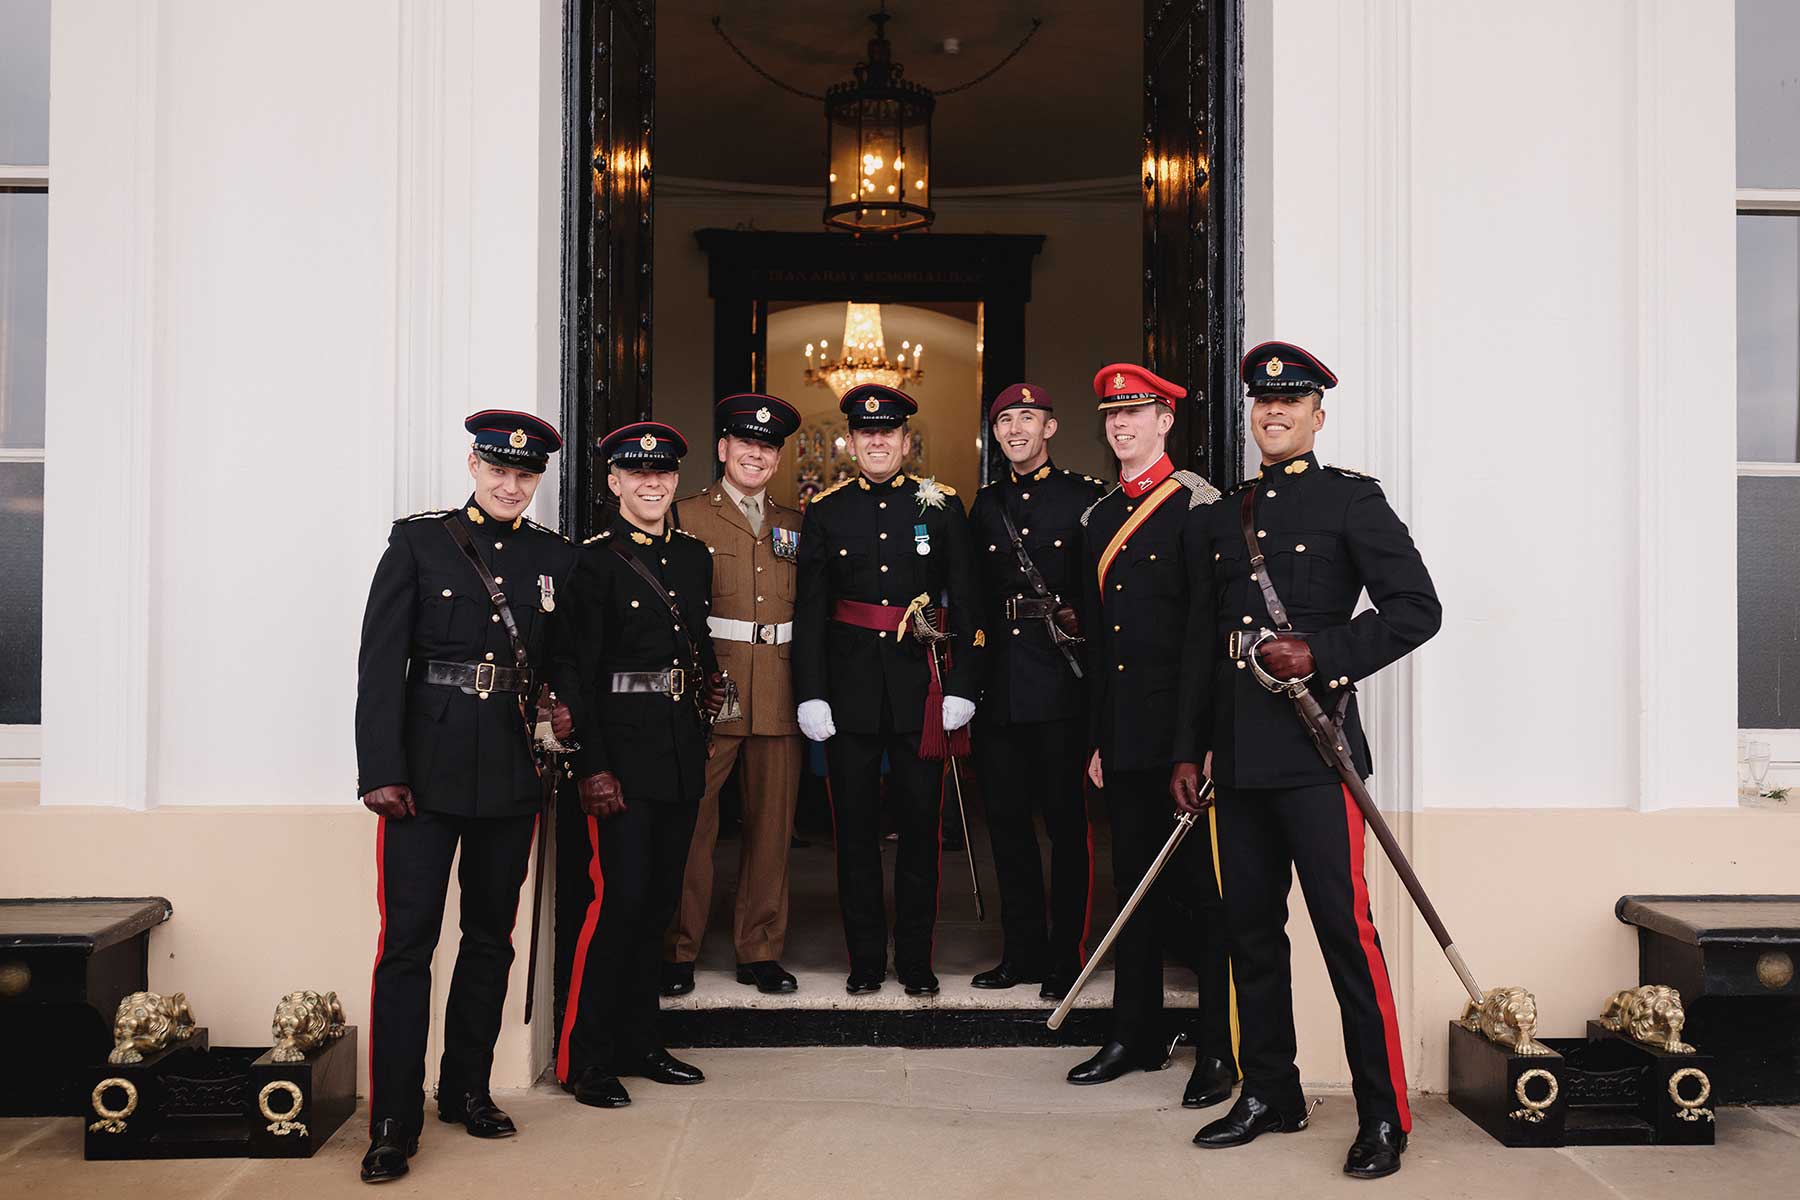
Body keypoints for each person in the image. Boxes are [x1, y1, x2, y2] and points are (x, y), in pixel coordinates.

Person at [1188, 341, 1441, 1180]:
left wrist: (1322, 653)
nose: (1274, 411)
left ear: (1317, 416)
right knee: (1251, 934)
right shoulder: (1225, 514)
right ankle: (1272, 1092)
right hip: (1238, 760)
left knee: (1345, 934)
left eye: (1291, 401)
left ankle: (1384, 1115)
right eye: (1263, 401)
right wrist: (1192, 748)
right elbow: (1202, 645)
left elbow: (1417, 608)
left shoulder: (1351, 502)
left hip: (1315, 754)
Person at [355, 410, 574, 1183]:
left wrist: (564, 711)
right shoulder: (420, 542)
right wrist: (380, 770)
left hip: (511, 771)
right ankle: (393, 1117)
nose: (512, 485)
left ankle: (466, 1090)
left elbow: (565, 660)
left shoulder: (553, 557)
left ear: (538, 478)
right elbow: (380, 663)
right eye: (499, 470)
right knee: (408, 945)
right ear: (475, 467)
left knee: (489, 938)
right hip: (422, 772)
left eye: (526, 474)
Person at [1070, 364, 1237, 1111]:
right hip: (1125, 735)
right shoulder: (1100, 517)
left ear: (1165, 421)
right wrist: (1099, 739)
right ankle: (1132, 1034)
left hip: (1182, 740)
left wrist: (1198, 745)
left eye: (1135, 412)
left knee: (1204, 897)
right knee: (1131, 891)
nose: (1121, 425)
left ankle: (1219, 1048)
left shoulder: (1198, 506)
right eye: (1112, 414)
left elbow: (1208, 635)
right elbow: (1101, 644)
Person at [551, 421, 726, 1109]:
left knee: (656, 905)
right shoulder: (592, 563)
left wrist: (707, 692)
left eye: (662, 474)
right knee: (614, 906)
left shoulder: (692, 556)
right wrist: (591, 767)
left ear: (675, 481)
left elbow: (696, 641)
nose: (651, 484)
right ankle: (585, 1058)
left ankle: (641, 1041)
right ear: (615, 482)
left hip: (677, 750)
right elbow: (575, 672)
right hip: (618, 759)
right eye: (637, 474)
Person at [792, 382, 983, 997]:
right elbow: (811, 609)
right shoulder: (826, 510)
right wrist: (811, 691)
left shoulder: (942, 506)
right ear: (850, 443)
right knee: (853, 834)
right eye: (866, 433)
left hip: (920, 692)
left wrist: (963, 685)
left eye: (888, 433)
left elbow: (967, 600)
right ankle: (867, 958)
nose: (877, 442)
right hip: (847, 694)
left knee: (922, 832)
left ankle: (917, 959)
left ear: (905, 441)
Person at [662, 393, 806, 998]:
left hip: (778, 689)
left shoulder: (796, 523)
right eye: (746, 443)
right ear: (723, 449)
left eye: (767, 447)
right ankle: (678, 948)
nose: (756, 454)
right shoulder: (685, 515)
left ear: (777, 459)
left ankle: (760, 948)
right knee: (692, 824)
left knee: (772, 829)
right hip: (711, 690)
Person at [966, 383, 1105, 999]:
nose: (1015, 429)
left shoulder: (1085, 498)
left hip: (1061, 683)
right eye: (1005, 421)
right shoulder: (986, 504)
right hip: (1000, 685)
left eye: (1027, 418)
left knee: (1067, 827)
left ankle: (1066, 956)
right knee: (1006, 825)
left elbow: (1103, 591)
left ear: (1049, 428)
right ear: (995, 434)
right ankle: (1019, 952)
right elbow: (972, 595)